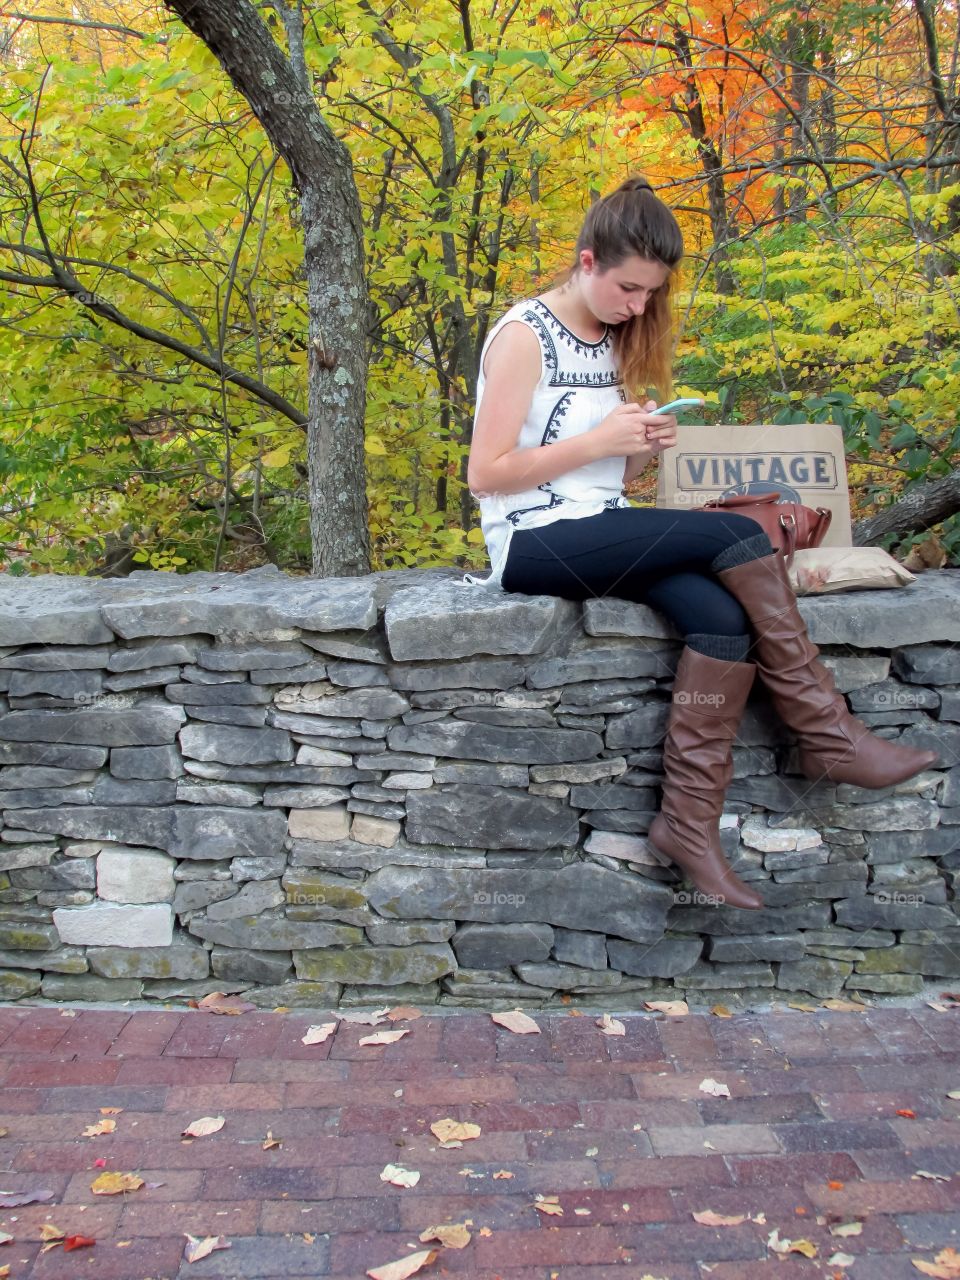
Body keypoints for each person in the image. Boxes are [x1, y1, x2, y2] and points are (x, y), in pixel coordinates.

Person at [465, 175, 938, 912]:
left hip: (598, 526)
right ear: (586, 262)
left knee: (719, 620)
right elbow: (486, 475)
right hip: (534, 540)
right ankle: (828, 733)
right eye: (628, 288)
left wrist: (639, 448)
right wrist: (599, 437)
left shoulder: (610, 338)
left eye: (650, 294)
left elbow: (604, 477)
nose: (638, 306)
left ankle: (686, 825)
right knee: (733, 531)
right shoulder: (525, 335)